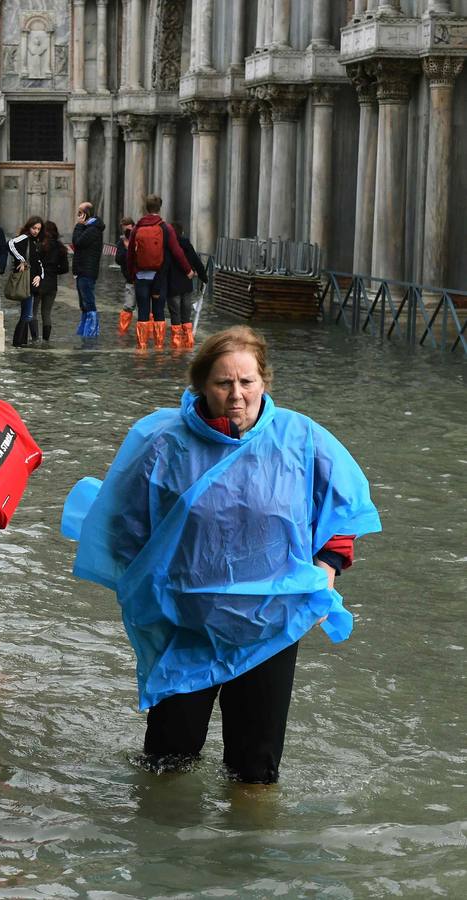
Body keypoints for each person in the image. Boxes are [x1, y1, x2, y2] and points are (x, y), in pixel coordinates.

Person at [62, 326, 381, 784]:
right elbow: (123, 523)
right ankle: (166, 844)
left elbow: (343, 506)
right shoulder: (163, 442)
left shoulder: (300, 438)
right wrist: (146, 591)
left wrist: (327, 567)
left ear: (264, 382)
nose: (237, 395)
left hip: (269, 624)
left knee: (255, 768)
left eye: (247, 382)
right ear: (201, 385)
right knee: (168, 760)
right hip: (183, 625)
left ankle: (246, 848)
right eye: (223, 383)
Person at [124, 194, 195, 350]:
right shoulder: (165, 227)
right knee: (158, 311)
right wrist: (188, 270)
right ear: (160, 207)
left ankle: (142, 346)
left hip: (141, 276)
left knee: (143, 311)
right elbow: (177, 251)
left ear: (146, 208)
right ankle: (158, 346)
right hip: (159, 277)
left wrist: (131, 275)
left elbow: (130, 254)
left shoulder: (138, 227)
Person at [166, 222, 209, 350]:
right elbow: (196, 261)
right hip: (186, 285)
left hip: (172, 286)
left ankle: (176, 343)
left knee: (175, 314)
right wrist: (204, 277)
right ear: (182, 232)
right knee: (186, 315)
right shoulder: (187, 244)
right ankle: (189, 342)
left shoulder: (168, 246)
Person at [8, 217, 45, 346]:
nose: (36, 231)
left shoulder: (36, 242)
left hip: (32, 281)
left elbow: (39, 263)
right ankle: (18, 342)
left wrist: (39, 276)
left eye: (38, 229)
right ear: (29, 227)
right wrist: (21, 259)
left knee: (26, 312)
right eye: (34, 228)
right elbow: (10, 244)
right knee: (27, 313)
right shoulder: (25, 238)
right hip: (26, 281)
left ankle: (20, 342)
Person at [71, 201, 105, 338]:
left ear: (85, 214)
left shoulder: (93, 229)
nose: (78, 216)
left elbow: (77, 242)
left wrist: (79, 225)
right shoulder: (89, 228)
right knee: (83, 303)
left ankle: (91, 332)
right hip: (82, 270)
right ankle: (85, 330)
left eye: (80, 213)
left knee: (88, 301)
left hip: (87, 271)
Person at [36, 221, 70, 343]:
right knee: (46, 313)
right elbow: (65, 268)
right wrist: (54, 271)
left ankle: (34, 338)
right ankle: (46, 340)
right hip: (52, 284)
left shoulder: (39, 245)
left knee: (33, 312)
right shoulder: (61, 248)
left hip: (38, 282)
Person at [114, 217, 138, 336]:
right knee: (128, 306)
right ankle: (123, 332)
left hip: (143, 279)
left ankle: (148, 334)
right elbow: (118, 259)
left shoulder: (140, 239)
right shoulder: (121, 243)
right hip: (130, 280)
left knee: (147, 309)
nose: (128, 233)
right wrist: (126, 248)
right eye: (126, 231)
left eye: (130, 230)